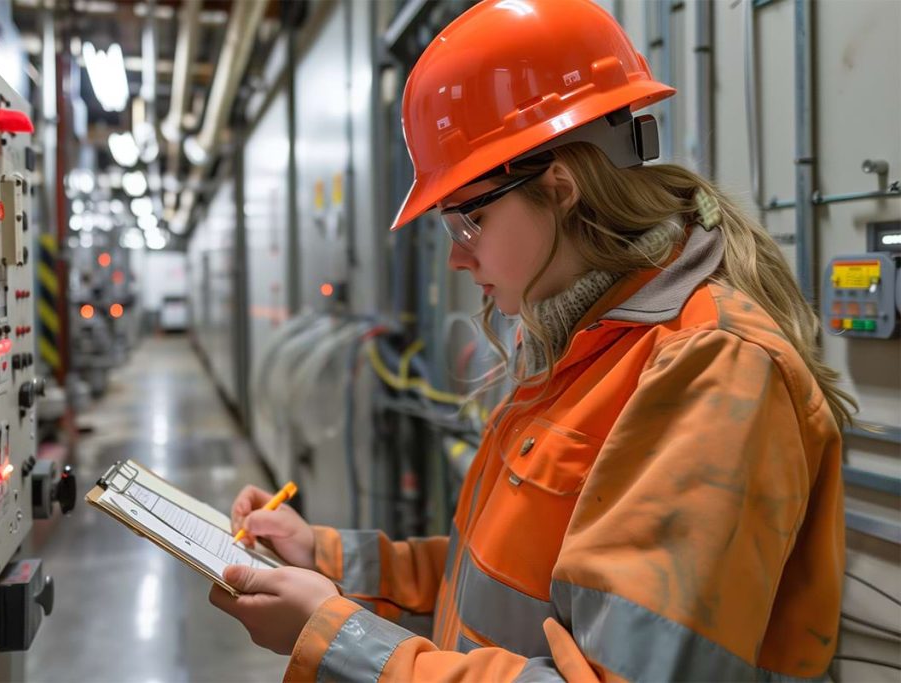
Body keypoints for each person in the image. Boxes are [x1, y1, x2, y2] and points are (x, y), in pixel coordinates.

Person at [208, 0, 852, 680]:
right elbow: (498, 585)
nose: (458, 258)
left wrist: (338, 639)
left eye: (469, 221)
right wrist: (327, 559)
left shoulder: (714, 372)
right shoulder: (582, 344)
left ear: (560, 186)